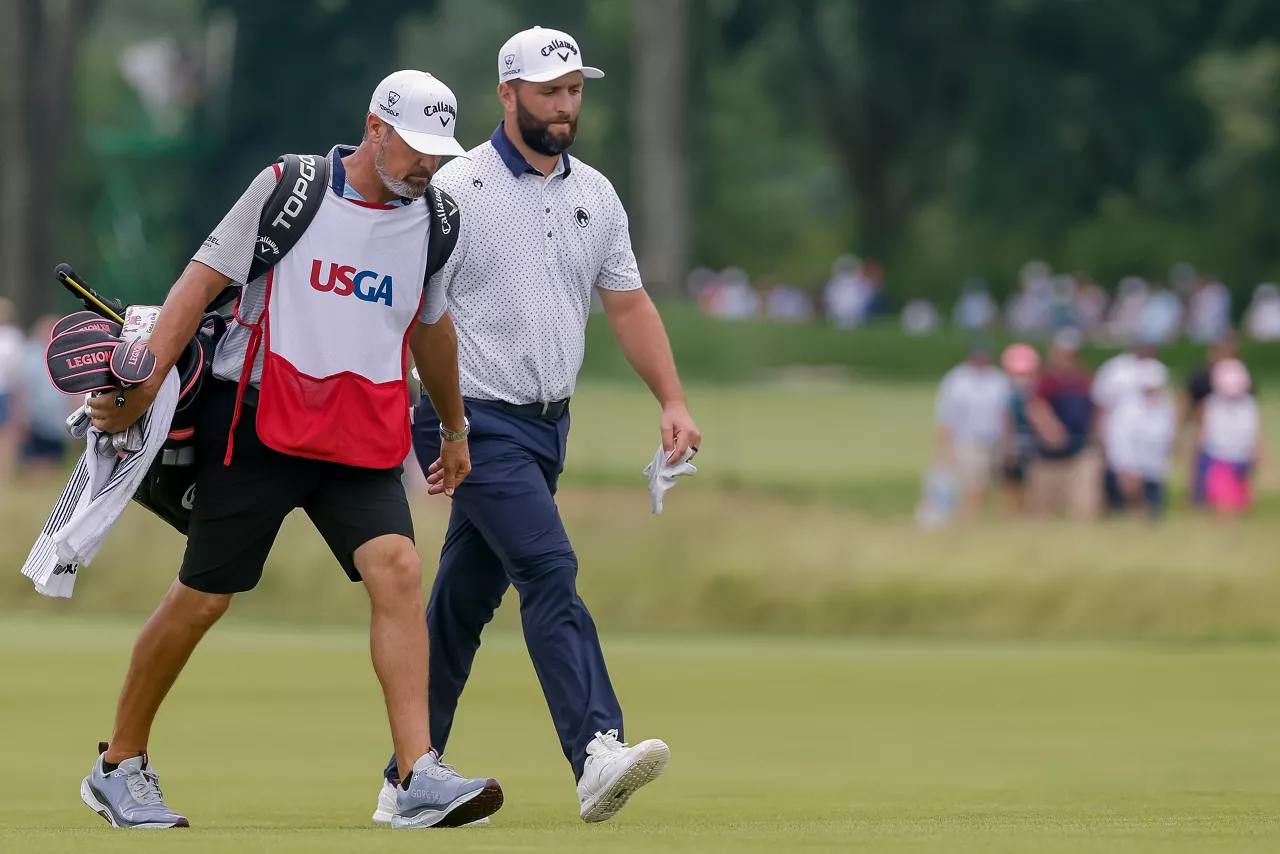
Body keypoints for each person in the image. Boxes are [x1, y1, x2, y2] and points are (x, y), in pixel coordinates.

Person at [76, 70, 502, 830]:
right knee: (205, 596)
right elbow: (197, 285)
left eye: (441, 152)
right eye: (416, 148)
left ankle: (417, 777)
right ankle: (118, 767)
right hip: (257, 422)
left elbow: (432, 328)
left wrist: (455, 427)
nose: (429, 166)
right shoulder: (289, 186)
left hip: (362, 428)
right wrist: (140, 385)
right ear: (376, 128)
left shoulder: (439, 218)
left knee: (399, 570)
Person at [373, 27, 701, 826]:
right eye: (549, 91)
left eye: (575, 90)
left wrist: (672, 399)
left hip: (547, 427)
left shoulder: (596, 193)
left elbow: (626, 302)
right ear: (508, 95)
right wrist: (440, 423)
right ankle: (597, 750)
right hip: (470, 420)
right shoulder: (458, 190)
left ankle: (405, 780)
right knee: (549, 568)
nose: (565, 105)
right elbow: (420, 317)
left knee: (460, 605)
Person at [1026, 329, 1101, 519]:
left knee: (1085, 500)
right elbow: (1037, 408)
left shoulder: (1084, 378)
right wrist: (1051, 429)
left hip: (1081, 444)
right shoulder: (1047, 380)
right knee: (1045, 506)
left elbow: (1095, 410)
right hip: (1051, 451)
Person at [934, 341, 1011, 518]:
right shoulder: (956, 380)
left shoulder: (997, 380)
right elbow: (947, 417)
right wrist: (943, 448)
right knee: (971, 483)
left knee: (988, 483)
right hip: (966, 441)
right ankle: (968, 517)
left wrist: (1007, 442)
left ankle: (978, 516)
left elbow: (1005, 415)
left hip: (993, 440)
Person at [1091, 337, 1161, 513]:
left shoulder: (1156, 369)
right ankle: (1119, 509)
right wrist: (1100, 433)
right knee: (1121, 472)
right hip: (1120, 431)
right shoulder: (1116, 370)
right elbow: (1101, 403)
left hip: (1150, 436)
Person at [1184, 332, 1251, 506]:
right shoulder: (1202, 376)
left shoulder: (1240, 374)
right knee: (1202, 467)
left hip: (1233, 432)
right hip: (1207, 430)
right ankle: (1198, 496)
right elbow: (1187, 401)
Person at [1105, 359, 1177, 519]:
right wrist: (1127, 467)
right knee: (1130, 509)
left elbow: (1168, 436)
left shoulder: (1166, 407)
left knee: (1154, 510)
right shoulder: (1128, 409)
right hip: (1133, 466)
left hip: (1155, 466)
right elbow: (1120, 439)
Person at [1200, 358, 1263, 519]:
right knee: (1223, 508)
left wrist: (1258, 458)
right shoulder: (1213, 404)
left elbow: (1253, 434)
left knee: (1242, 506)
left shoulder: (1249, 405)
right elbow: (1204, 433)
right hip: (1220, 459)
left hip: (1242, 459)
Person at [18, 315, 74, 477]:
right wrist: (23, 416)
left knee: (55, 461)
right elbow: (23, 388)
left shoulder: (66, 356)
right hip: (37, 417)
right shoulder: (31, 356)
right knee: (36, 460)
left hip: (58, 419)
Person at [1000, 343, 1040, 515]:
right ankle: (1011, 512)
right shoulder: (1006, 392)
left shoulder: (1036, 390)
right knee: (1011, 478)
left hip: (1032, 440)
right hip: (1014, 439)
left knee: (1031, 477)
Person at [0, 297, 24, 482]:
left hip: (5, 389)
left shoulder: (13, 337)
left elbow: (17, 369)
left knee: (6, 432)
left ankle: (6, 471)